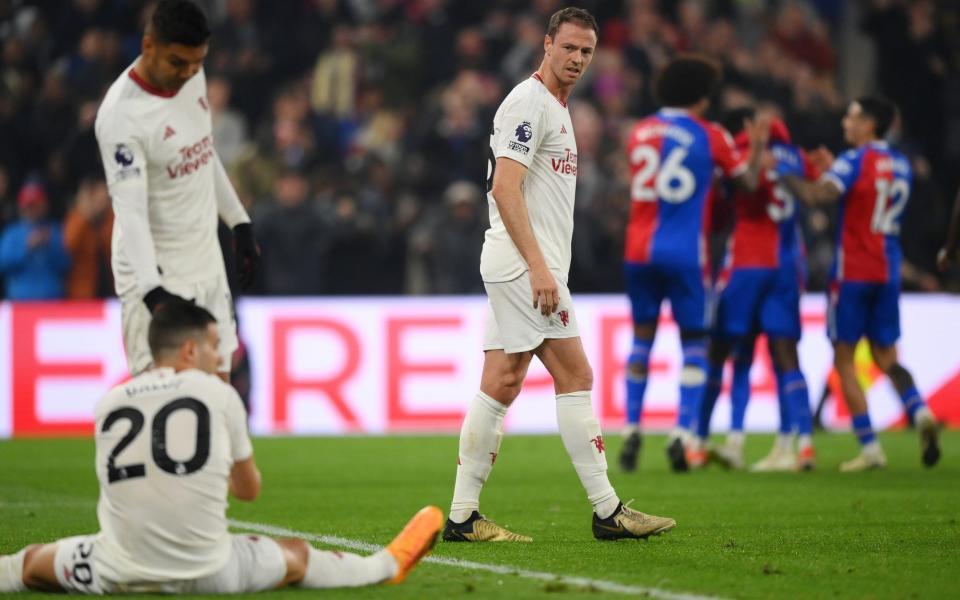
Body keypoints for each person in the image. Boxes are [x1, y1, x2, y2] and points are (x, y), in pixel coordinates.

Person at [0, 302, 442, 594]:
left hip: (116, 567)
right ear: (190, 349)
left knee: (32, 563)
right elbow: (248, 491)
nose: (223, 354)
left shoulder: (109, 403)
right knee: (296, 556)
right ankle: (386, 565)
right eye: (215, 345)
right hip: (209, 569)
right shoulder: (218, 394)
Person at [443, 7, 675, 543]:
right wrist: (541, 269)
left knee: (500, 385)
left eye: (586, 52)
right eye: (568, 47)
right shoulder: (529, 103)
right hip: (527, 268)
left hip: (519, 266)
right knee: (576, 375)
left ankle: (461, 517)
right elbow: (504, 189)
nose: (576, 59)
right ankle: (608, 509)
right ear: (546, 44)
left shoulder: (557, 107)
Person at [94, 0, 260, 380]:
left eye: (197, 63)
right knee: (162, 405)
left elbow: (202, 152)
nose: (188, 73)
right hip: (155, 269)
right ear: (148, 45)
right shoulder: (122, 117)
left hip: (204, 261)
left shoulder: (192, 77)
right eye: (177, 63)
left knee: (220, 398)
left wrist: (239, 223)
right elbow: (131, 211)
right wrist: (153, 293)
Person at [618, 56, 767, 473]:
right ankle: (682, 432)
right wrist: (753, 150)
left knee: (641, 340)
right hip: (685, 253)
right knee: (695, 344)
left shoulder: (639, 132)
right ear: (703, 97)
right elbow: (747, 185)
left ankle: (631, 428)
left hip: (638, 251)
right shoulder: (711, 134)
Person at [779, 97, 940, 471]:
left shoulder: (855, 160)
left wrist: (784, 173)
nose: (845, 124)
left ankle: (870, 449)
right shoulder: (900, 163)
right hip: (887, 269)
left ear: (870, 124)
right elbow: (867, 193)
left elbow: (820, 195)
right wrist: (835, 169)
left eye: (852, 117)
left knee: (844, 359)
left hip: (852, 271)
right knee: (887, 357)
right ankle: (920, 412)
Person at [691, 110, 817, 472]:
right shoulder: (797, 157)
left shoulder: (744, 153)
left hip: (745, 262)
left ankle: (705, 441)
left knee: (725, 352)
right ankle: (800, 445)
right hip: (787, 266)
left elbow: (723, 200)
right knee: (786, 357)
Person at [0, 180, 71, 300]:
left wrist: (50, 245)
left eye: (36, 205)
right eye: (28, 205)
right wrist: (26, 247)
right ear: (21, 207)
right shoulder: (12, 233)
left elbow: (66, 264)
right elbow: (3, 264)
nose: (31, 210)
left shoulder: (54, 230)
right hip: (20, 302)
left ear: (45, 205)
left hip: (51, 301)